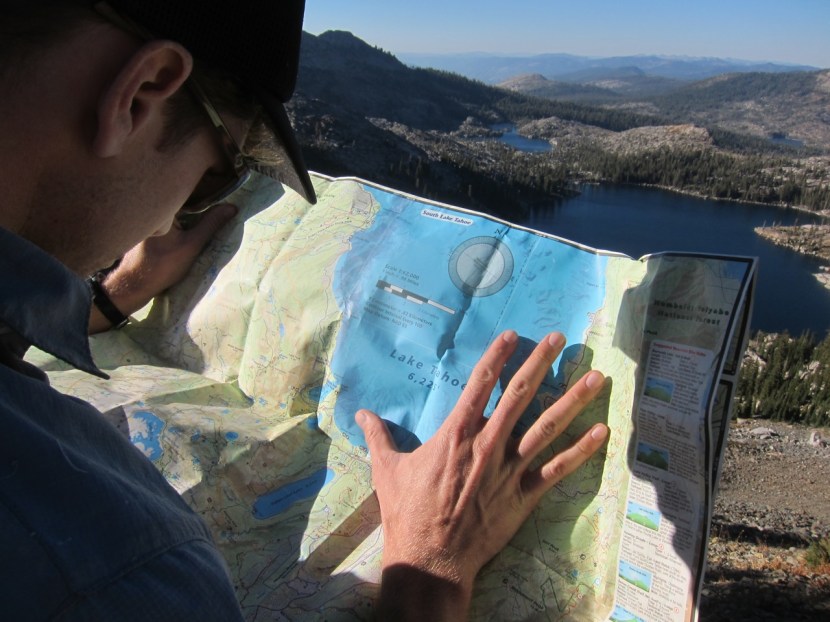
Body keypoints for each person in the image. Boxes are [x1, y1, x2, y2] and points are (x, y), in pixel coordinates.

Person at [0, 1, 609, 620]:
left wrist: (107, 301)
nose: (166, 222)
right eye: (218, 174)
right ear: (140, 93)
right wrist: (429, 574)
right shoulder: (121, 576)